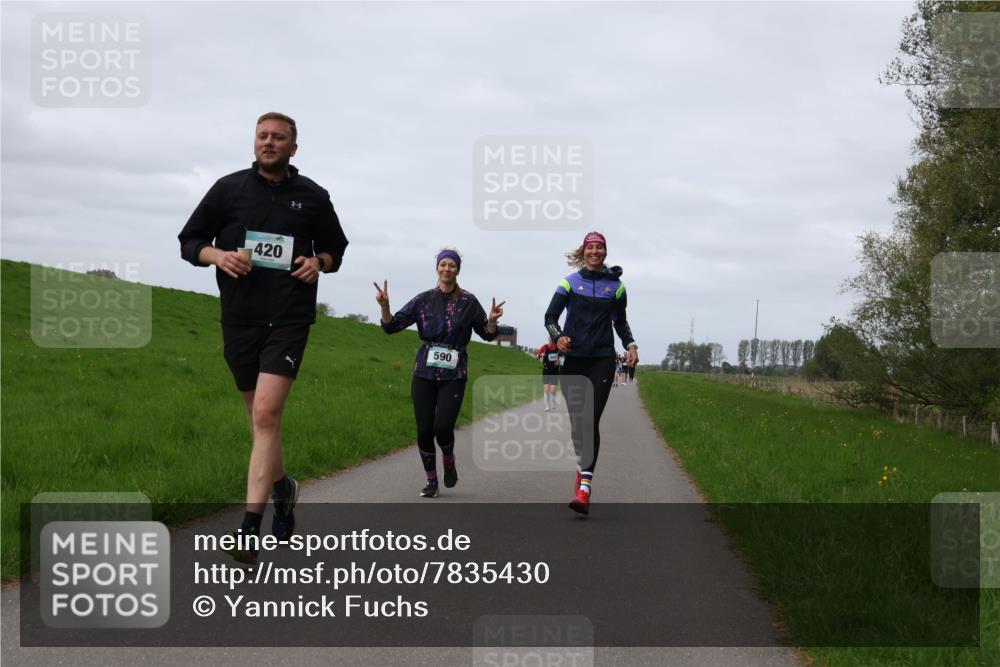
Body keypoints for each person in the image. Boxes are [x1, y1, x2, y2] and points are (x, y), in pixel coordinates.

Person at [178, 112, 348, 562]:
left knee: (268, 414)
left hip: (289, 318)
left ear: (294, 148)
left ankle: (249, 528)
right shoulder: (228, 189)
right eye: (262, 136)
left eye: (279, 138)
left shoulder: (313, 196)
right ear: (254, 142)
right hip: (239, 318)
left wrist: (320, 263)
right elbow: (189, 240)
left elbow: (336, 248)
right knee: (259, 422)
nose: (269, 142)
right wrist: (217, 255)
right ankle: (283, 488)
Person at [375, 249, 505, 498]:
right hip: (423, 371)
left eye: (452, 265)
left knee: (443, 427)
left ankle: (448, 460)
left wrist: (492, 320)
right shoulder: (423, 299)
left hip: (454, 374)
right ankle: (431, 481)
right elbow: (392, 326)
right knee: (424, 429)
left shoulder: (469, 302)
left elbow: (487, 334)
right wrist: (385, 306)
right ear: (437, 268)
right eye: (443, 264)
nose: (447, 269)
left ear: (457, 270)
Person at [544, 232, 638, 515]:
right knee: (577, 425)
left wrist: (630, 344)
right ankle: (581, 467)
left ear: (605, 252)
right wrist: (559, 337)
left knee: (589, 420)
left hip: (602, 359)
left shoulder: (616, 287)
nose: (595, 251)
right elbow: (550, 318)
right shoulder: (569, 283)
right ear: (584, 252)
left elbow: (620, 323)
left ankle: (584, 488)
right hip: (573, 360)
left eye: (600, 248)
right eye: (591, 247)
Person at [536, 338, 561, 411]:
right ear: (548, 339)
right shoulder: (544, 347)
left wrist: (559, 361)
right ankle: (547, 406)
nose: (551, 340)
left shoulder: (558, 348)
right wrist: (540, 355)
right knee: (546, 389)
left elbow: (563, 358)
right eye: (550, 338)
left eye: (552, 339)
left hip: (555, 371)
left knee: (552, 390)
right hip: (546, 371)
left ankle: (553, 402)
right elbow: (537, 357)